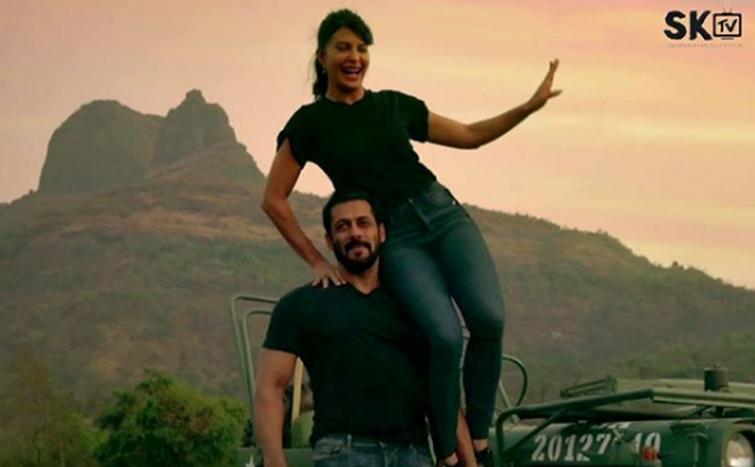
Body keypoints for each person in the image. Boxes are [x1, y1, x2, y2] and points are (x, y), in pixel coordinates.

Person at [261, 9, 561, 466]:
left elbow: (470, 135)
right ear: (322, 57)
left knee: (488, 319)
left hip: (443, 214)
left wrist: (527, 107)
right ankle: (447, 450)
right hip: (396, 236)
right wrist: (316, 260)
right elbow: (273, 199)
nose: (354, 57)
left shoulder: (394, 105)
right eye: (343, 47)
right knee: (443, 336)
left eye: (362, 48)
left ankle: (479, 438)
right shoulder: (310, 123)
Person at [255, 191, 433, 467]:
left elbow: (437, 381)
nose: (355, 233)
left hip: (414, 453)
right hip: (344, 452)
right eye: (343, 226)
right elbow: (271, 386)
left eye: (363, 223)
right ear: (329, 240)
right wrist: (274, 460)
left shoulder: (413, 304)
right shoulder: (301, 305)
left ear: (381, 232)